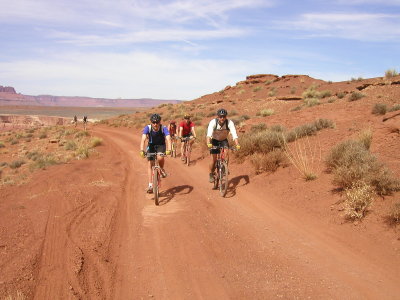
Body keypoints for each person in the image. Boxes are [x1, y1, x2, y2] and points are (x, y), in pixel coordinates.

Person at [206, 108, 240, 183]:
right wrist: (208, 143)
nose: (222, 118)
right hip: (214, 140)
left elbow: (234, 134)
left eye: (224, 116)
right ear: (218, 117)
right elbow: (209, 134)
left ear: (226, 117)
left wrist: (237, 144)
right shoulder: (213, 122)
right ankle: (211, 174)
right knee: (214, 160)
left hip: (224, 140)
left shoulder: (229, 123)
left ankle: (224, 168)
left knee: (227, 153)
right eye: (220, 117)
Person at [140, 113, 171, 193]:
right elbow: (143, 139)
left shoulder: (163, 128)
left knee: (160, 157)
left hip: (161, 145)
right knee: (150, 163)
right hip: (151, 145)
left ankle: (162, 169)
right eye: (153, 122)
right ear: (151, 122)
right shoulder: (148, 128)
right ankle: (150, 185)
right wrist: (141, 150)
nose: (155, 124)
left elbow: (168, 138)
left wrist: (169, 149)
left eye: (157, 122)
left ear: (160, 122)